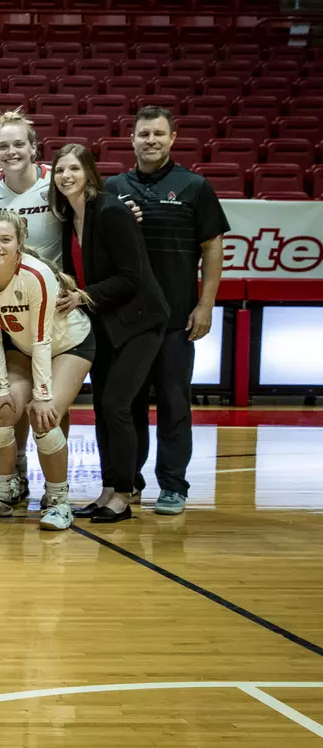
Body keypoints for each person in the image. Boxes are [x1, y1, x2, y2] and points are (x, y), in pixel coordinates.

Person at [104, 106, 228, 517]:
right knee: (127, 404)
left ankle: (173, 485)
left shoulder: (194, 186)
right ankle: (129, 481)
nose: (151, 141)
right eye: (144, 134)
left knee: (175, 403)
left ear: (172, 138)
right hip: (128, 321)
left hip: (176, 319)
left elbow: (212, 248)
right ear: (132, 139)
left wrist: (206, 304)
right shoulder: (112, 187)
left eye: (158, 134)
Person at [51, 143, 170, 524]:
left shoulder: (113, 210)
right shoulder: (71, 217)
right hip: (106, 323)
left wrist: (82, 296)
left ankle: (122, 494)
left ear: (88, 172)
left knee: (116, 405)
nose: (66, 176)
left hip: (140, 321)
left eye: (73, 168)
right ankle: (110, 488)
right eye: (59, 171)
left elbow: (131, 276)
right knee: (107, 407)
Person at [0, 209, 94, 530]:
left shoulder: (36, 275)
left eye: (5, 239)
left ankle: (59, 501)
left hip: (67, 344)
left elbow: (43, 339)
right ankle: (1, 494)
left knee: (44, 417)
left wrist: (44, 395)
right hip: (21, 347)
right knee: (1, 411)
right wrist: (1, 388)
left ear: (19, 243)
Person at [0, 110, 59, 269]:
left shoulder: (54, 181)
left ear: (33, 148)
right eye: (3, 146)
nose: (11, 152)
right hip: (2, 281)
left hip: (51, 281)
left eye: (19, 144)